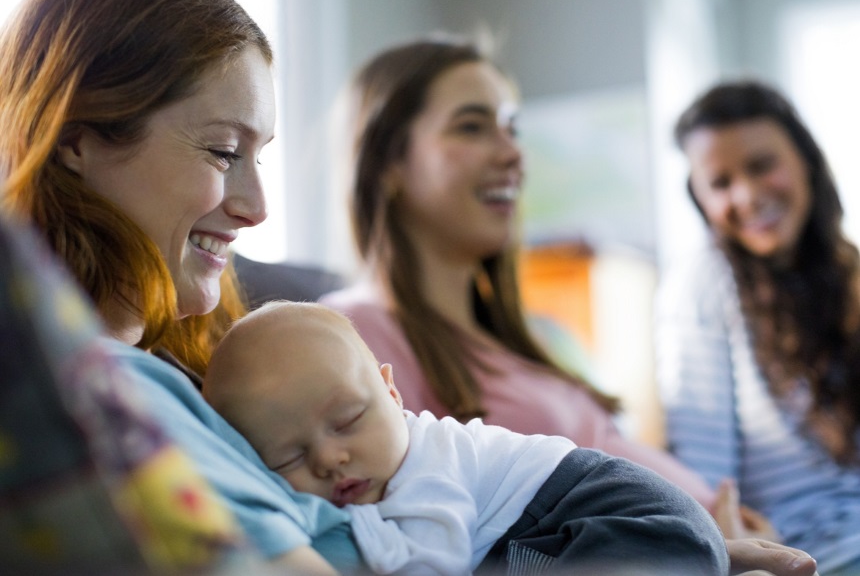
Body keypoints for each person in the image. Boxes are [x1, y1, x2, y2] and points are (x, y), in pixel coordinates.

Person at [319, 36, 819, 576]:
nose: (513, 153)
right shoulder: (351, 335)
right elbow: (405, 539)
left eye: (512, 128)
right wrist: (710, 551)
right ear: (387, 162)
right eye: (471, 125)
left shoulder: (540, 339)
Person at [0, 0, 361, 573]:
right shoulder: (102, 395)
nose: (257, 209)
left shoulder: (203, 374)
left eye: (258, 157)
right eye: (224, 152)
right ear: (75, 141)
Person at [203, 299, 730, 575]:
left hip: (611, 511)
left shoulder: (425, 463)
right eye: (288, 457)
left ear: (392, 392)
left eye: (347, 421)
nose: (330, 459)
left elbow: (438, 560)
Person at [656, 79, 860, 576]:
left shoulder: (847, 269)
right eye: (720, 183)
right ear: (699, 198)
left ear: (806, 162)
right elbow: (707, 482)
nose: (746, 195)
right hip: (815, 552)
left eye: (762, 165)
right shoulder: (702, 283)